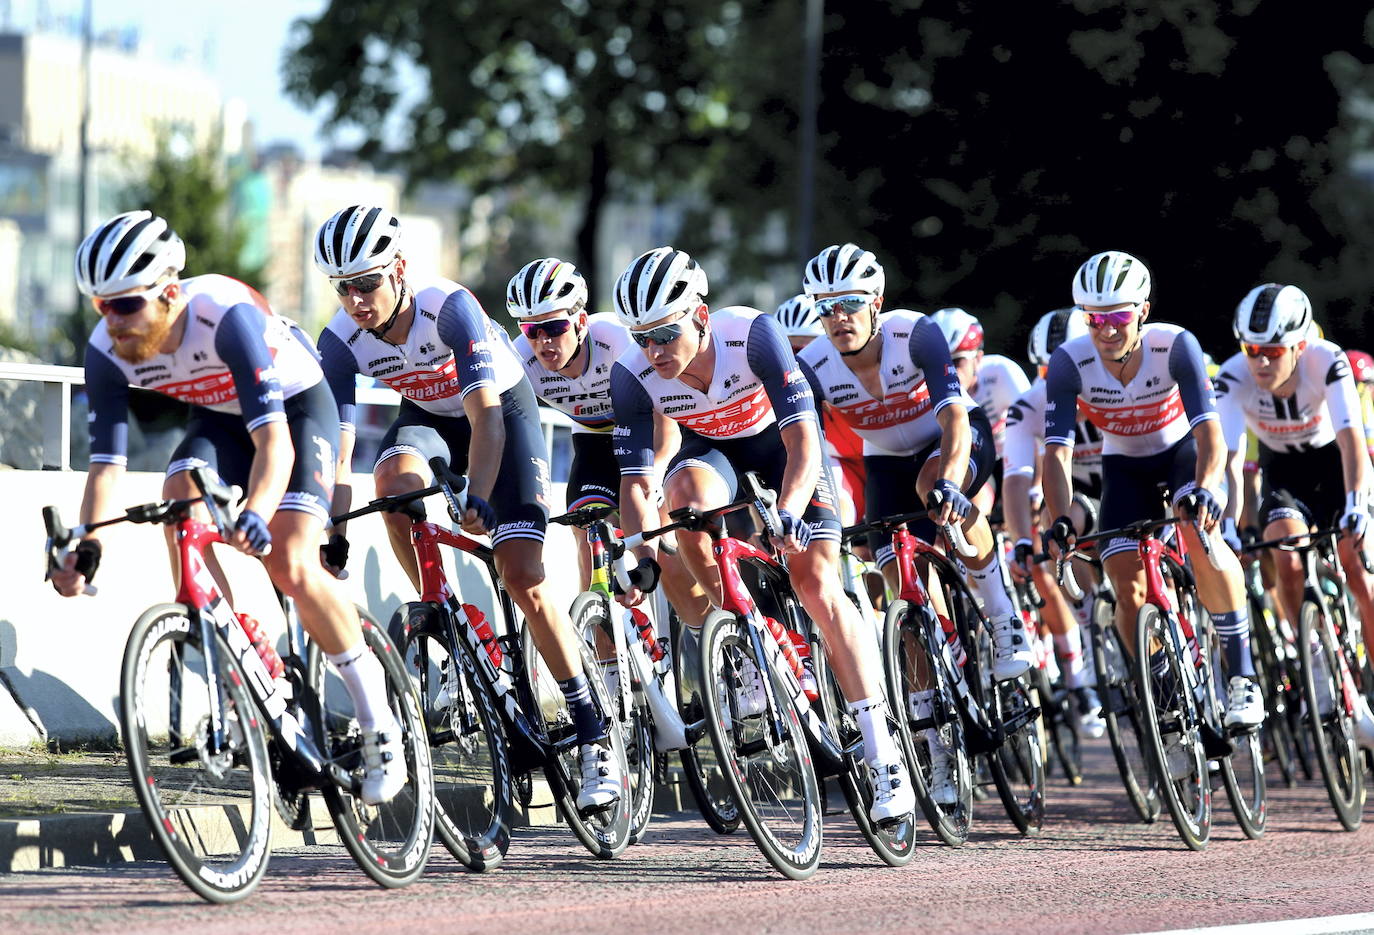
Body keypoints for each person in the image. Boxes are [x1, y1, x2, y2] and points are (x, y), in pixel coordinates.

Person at [52, 210, 405, 804]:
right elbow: (105, 466)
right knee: (177, 504)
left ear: (168, 292)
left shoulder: (226, 315)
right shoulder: (105, 348)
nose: (111, 322)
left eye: (125, 306)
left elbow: (276, 444)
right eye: (100, 306)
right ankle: (240, 645)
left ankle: (379, 722)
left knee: (290, 560)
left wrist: (256, 510)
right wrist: (87, 544)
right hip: (219, 421)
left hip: (294, 411)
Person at [313, 207, 618, 812]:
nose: (356, 300)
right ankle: (441, 608)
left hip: (502, 418)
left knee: (524, 577)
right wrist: (334, 528)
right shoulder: (339, 340)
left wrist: (477, 497)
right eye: (342, 288)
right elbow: (338, 448)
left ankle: (593, 730)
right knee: (392, 484)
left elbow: (486, 419)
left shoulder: (448, 308)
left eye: (367, 284)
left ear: (398, 271)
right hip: (427, 422)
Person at [608, 246, 915, 824]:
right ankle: (745, 641)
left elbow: (803, 441)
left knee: (816, 582)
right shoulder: (631, 372)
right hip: (711, 452)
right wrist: (639, 550)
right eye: (641, 337)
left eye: (665, 335)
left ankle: (882, 751)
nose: (654, 351)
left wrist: (791, 512)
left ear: (699, 315)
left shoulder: (752, 334)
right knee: (686, 507)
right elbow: (634, 481)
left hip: (783, 449)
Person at [795, 243, 1031, 806]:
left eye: (850, 303)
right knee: (899, 591)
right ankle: (937, 747)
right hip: (884, 464)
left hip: (948, 442)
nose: (839, 318)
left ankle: (1000, 613)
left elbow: (954, 418)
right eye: (825, 308)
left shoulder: (915, 333)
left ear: (875, 300)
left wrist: (950, 480)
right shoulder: (815, 364)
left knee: (934, 491)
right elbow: (805, 443)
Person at [1042, 250, 1263, 738]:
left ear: (1142, 310)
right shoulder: (1068, 362)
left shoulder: (1174, 345)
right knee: (1127, 584)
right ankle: (1164, 690)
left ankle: (1243, 673)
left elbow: (1211, 437)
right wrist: (1058, 519)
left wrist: (1207, 489)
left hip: (1183, 451)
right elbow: (1056, 454)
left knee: (1199, 532)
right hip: (1125, 466)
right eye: (1095, 318)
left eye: (1119, 315)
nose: (1107, 328)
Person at [506, 256, 709, 626]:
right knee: (588, 533)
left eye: (554, 326)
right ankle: (607, 659)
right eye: (531, 331)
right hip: (596, 439)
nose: (543, 341)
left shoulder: (617, 341)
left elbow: (667, 430)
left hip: (652, 431)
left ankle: (702, 640)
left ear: (580, 321)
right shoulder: (520, 360)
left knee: (659, 538)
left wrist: (654, 483)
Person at [1215, 284, 1374, 746]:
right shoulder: (1232, 376)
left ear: (1299, 346)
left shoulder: (1327, 359)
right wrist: (1228, 525)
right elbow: (1226, 460)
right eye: (1251, 350)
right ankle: (1314, 660)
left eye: (1272, 351)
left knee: (1357, 569)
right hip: (1283, 470)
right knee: (1285, 555)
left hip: (1335, 464)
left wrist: (1357, 505)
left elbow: (1351, 440)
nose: (1260, 362)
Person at [1002, 308, 1105, 736]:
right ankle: (1085, 612)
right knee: (1055, 520)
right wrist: (1023, 542)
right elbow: (1017, 478)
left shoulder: (1113, 387)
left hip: (1124, 479)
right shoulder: (1028, 407)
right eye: (1047, 370)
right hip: (1074, 493)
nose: (1059, 379)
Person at [928, 307, 1031, 516]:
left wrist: (1037, 488)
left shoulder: (1002, 372)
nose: (950, 370)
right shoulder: (926, 388)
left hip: (1015, 459)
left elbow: (1036, 432)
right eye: (942, 362)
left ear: (978, 358)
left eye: (957, 361)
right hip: (977, 464)